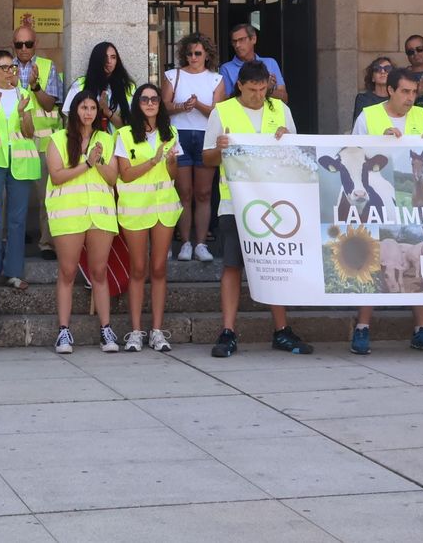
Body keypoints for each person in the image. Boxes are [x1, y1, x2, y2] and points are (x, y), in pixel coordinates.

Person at [204, 61, 314, 358]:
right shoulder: (222, 112)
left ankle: (281, 330)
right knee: (231, 266)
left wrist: (287, 139)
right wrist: (220, 148)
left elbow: (298, 155)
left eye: (263, 89)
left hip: (274, 201)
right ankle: (228, 331)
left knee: (274, 266)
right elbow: (208, 159)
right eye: (252, 90)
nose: (258, 96)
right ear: (239, 85)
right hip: (234, 201)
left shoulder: (281, 110)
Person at [348, 68, 423, 355]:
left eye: (414, 92)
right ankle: (362, 328)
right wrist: (380, 140)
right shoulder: (368, 116)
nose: (410, 98)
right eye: (405, 91)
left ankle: (421, 330)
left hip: (411, 206)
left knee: (415, 257)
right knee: (373, 256)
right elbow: (353, 155)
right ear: (390, 90)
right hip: (376, 200)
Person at [46, 89, 120, 353]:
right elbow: (57, 176)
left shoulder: (106, 139)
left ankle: (106, 329)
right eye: (83, 108)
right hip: (68, 212)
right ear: (74, 110)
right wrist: (86, 164)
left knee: (99, 272)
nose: (88, 112)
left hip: (100, 214)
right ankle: (64, 331)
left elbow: (112, 178)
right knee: (67, 272)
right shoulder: (58, 139)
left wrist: (97, 160)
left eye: (92, 108)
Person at [116, 82, 181, 351]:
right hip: (135, 208)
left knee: (158, 269)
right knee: (138, 269)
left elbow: (174, 175)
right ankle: (135, 331)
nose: (151, 103)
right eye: (145, 99)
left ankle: (156, 330)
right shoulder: (123, 134)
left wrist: (169, 163)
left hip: (163, 208)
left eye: (155, 99)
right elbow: (125, 174)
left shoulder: (171, 132)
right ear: (137, 104)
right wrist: (153, 161)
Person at [0, 50, 38, 290]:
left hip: (20, 162)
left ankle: (13, 271)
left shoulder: (23, 93)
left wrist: (23, 113)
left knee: (17, 218)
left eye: (11, 67)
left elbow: (30, 132)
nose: (10, 71)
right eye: (4, 67)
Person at [164, 33, 224, 263]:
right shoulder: (172, 75)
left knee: (204, 193)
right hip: (179, 135)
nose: (193, 57)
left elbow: (218, 113)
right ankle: (185, 242)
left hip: (206, 136)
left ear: (207, 54)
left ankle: (200, 243)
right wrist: (181, 106)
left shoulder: (216, 79)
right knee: (183, 193)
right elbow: (163, 106)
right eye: (189, 53)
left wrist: (197, 104)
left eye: (198, 53)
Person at [12, 24, 63, 260]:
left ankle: (47, 244)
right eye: (19, 45)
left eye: (28, 44)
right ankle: (10, 242)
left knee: (46, 197)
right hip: (14, 144)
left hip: (42, 144)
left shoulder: (46, 66)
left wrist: (35, 86)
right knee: (12, 198)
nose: (23, 49)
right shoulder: (6, 67)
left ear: (36, 43)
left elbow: (49, 104)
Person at [64, 41, 136, 131]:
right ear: (96, 60)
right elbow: (71, 123)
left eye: (113, 57)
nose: (109, 61)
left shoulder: (128, 87)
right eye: (105, 57)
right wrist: (96, 110)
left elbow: (129, 127)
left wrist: (107, 111)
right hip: (90, 143)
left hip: (118, 143)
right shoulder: (79, 86)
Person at [220, 23, 288, 102]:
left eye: (241, 40)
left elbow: (285, 98)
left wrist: (269, 91)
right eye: (234, 41)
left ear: (253, 39)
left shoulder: (270, 63)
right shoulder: (226, 68)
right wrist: (265, 87)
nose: (237, 45)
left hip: (269, 113)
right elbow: (226, 101)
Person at [352, 58, 394, 124]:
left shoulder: (397, 99)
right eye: (377, 69)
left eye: (387, 68)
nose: (382, 72)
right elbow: (358, 127)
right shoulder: (363, 99)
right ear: (372, 78)